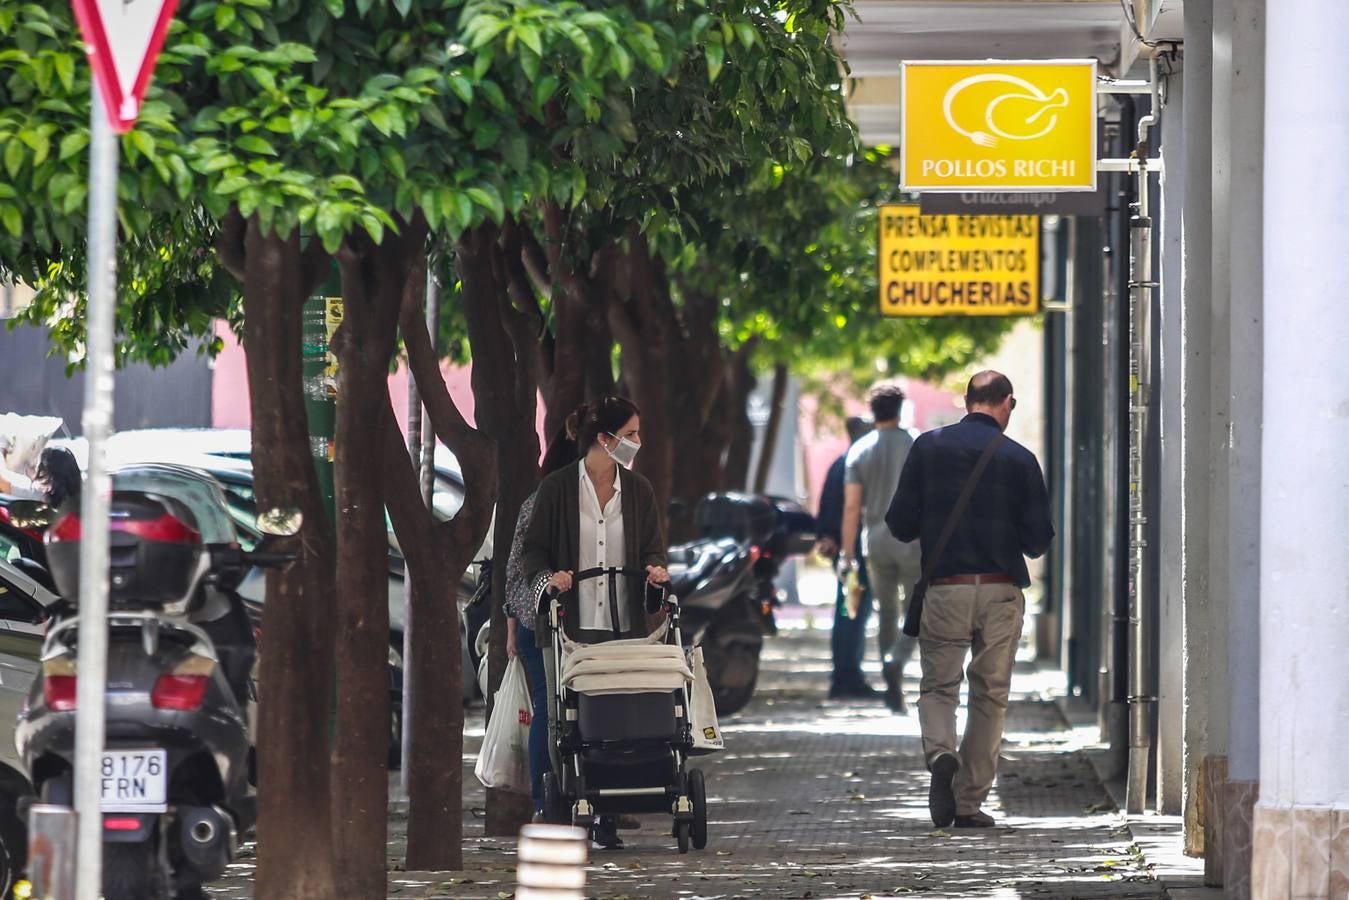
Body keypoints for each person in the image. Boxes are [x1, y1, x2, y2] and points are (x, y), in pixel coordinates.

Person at [886, 371, 1053, 829]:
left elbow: (899, 522)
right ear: (1007, 404)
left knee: (940, 686)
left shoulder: (928, 448)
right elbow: (1039, 540)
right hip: (1000, 590)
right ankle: (968, 803)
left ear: (967, 402)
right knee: (990, 696)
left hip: (946, 586)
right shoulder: (1020, 459)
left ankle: (941, 753)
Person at [519, 396, 670, 849]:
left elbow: (652, 549)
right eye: (632, 434)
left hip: (624, 627)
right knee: (565, 721)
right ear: (605, 439)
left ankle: (607, 812)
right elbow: (533, 551)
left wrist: (655, 571)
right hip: (572, 625)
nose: (638, 443)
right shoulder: (558, 489)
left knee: (618, 721)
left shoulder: (638, 490)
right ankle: (560, 805)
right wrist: (551, 580)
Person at [504, 429, 579, 821]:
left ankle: (552, 803)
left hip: (544, 622)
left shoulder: (539, 503)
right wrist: (515, 627)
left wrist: (512, 627)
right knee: (552, 709)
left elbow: (512, 573)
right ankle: (545, 801)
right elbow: (520, 569)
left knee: (551, 709)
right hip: (545, 622)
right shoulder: (548, 506)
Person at [839, 382, 921, 713]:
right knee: (917, 608)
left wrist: (847, 556)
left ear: (873, 412)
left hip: (874, 542)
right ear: (899, 410)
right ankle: (898, 656)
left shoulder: (860, 450)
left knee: (885, 613)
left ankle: (893, 688)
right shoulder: (916, 444)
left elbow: (851, 507)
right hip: (913, 541)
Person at [815, 415, 877, 699]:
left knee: (850, 612)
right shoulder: (854, 464)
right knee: (852, 613)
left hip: (846, 552)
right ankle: (846, 678)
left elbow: (826, 508)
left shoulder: (841, 463)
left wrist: (828, 538)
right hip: (854, 554)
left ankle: (846, 676)